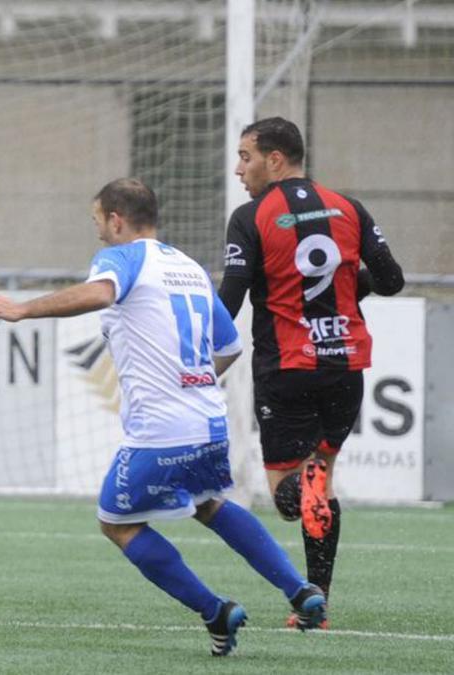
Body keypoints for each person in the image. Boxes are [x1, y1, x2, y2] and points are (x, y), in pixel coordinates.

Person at [0, 178, 327, 656]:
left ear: (116, 220)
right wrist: (191, 380)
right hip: (208, 420)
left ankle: (215, 611)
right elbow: (226, 349)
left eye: (98, 221)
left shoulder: (121, 258)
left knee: (116, 523)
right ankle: (301, 590)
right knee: (208, 503)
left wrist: (22, 309)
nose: (98, 232)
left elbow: (100, 294)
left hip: (162, 430)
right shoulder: (187, 266)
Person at [219, 117, 405, 628]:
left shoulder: (251, 217)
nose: (239, 169)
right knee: (320, 483)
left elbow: (231, 299)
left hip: (287, 365)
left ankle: (312, 595)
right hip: (346, 364)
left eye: (246, 157)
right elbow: (391, 279)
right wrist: (348, 289)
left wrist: (200, 353)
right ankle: (316, 603)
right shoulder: (349, 207)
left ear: (275, 159)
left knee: (289, 495)